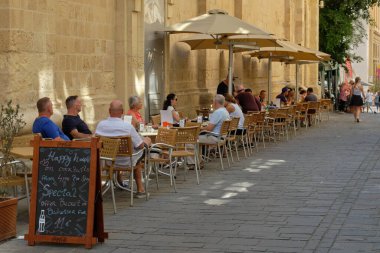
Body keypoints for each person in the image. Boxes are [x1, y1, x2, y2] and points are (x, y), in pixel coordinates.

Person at [95, 100, 151, 198]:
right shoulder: (127, 127)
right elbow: (140, 146)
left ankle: (119, 182)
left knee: (129, 152)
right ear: (122, 112)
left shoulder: (101, 125)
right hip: (127, 162)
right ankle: (140, 189)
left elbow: (95, 140)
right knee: (142, 149)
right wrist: (147, 141)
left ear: (109, 111)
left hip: (108, 161)